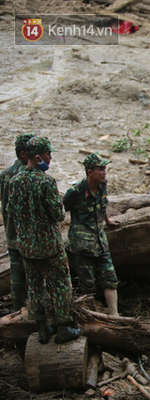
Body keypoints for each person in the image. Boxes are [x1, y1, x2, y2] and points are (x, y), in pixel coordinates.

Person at [8, 137, 81, 344]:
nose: (50, 158)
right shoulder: (46, 182)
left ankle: (42, 328)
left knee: (35, 286)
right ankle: (63, 327)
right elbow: (58, 214)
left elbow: (12, 213)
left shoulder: (15, 182)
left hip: (27, 247)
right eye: (49, 154)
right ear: (38, 157)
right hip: (49, 246)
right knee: (60, 284)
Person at [63, 153, 121, 316]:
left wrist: (108, 220)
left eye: (105, 169)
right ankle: (92, 318)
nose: (104, 172)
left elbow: (102, 204)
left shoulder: (103, 185)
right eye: (100, 169)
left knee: (110, 278)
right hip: (82, 246)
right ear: (89, 172)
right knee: (88, 286)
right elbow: (60, 210)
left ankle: (114, 315)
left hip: (100, 243)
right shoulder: (76, 191)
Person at [0, 133, 34, 310]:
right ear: (23, 154)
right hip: (28, 235)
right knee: (31, 273)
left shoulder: (4, 174)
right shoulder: (28, 175)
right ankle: (33, 309)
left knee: (16, 274)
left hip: (11, 233)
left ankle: (17, 308)